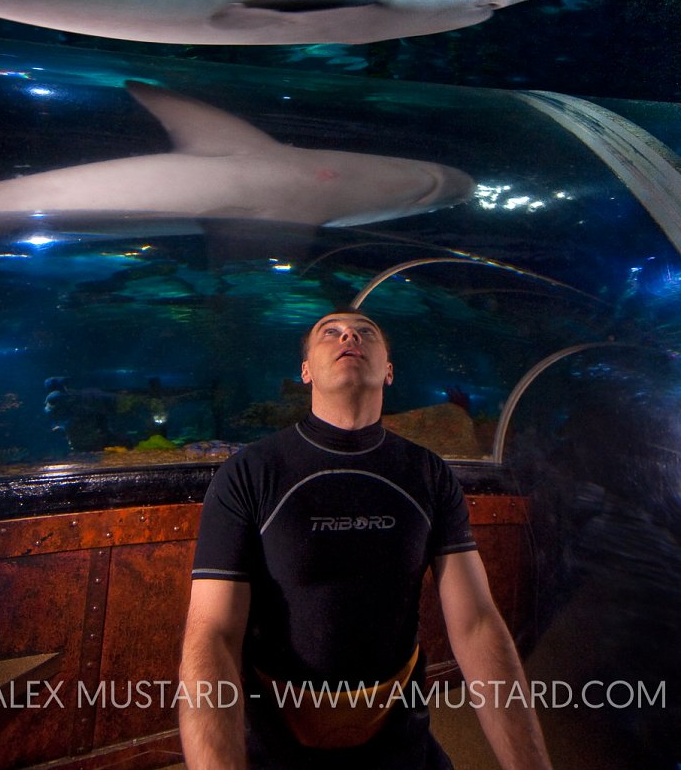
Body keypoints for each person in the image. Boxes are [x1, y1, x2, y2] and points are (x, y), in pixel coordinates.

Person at [179, 312, 552, 769]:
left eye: (365, 332)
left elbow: (476, 624)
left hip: (403, 744)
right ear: (305, 371)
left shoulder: (430, 475)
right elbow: (212, 634)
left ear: (389, 371)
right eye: (330, 332)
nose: (349, 335)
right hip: (275, 750)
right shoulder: (248, 474)